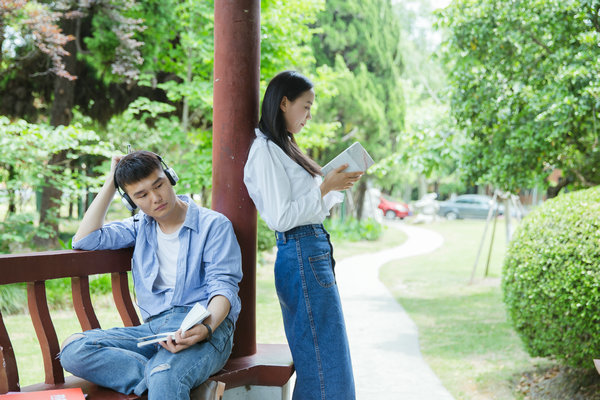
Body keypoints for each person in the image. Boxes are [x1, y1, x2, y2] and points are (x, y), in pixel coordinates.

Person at [59, 151, 242, 400]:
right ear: (131, 201)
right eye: (141, 195)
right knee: (74, 349)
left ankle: (167, 377)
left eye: (159, 185)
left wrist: (206, 328)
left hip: (205, 326)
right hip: (155, 330)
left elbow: (223, 288)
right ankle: (176, 383)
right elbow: (84, 239)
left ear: (170, 177)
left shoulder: (213, 225)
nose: (156, 198)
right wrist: (111, 182)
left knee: (164, 374)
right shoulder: (139, 227)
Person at [243, 71, 363, 399]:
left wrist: (333, 184)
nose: (309, 116)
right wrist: (325, 186)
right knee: (325, 364)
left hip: (310, 249)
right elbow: (282, 217)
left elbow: (308, 206)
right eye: (306, 107)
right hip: (300, 249)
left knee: (326, 358)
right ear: (284, 102)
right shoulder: (265, 150)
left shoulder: (285, 147)